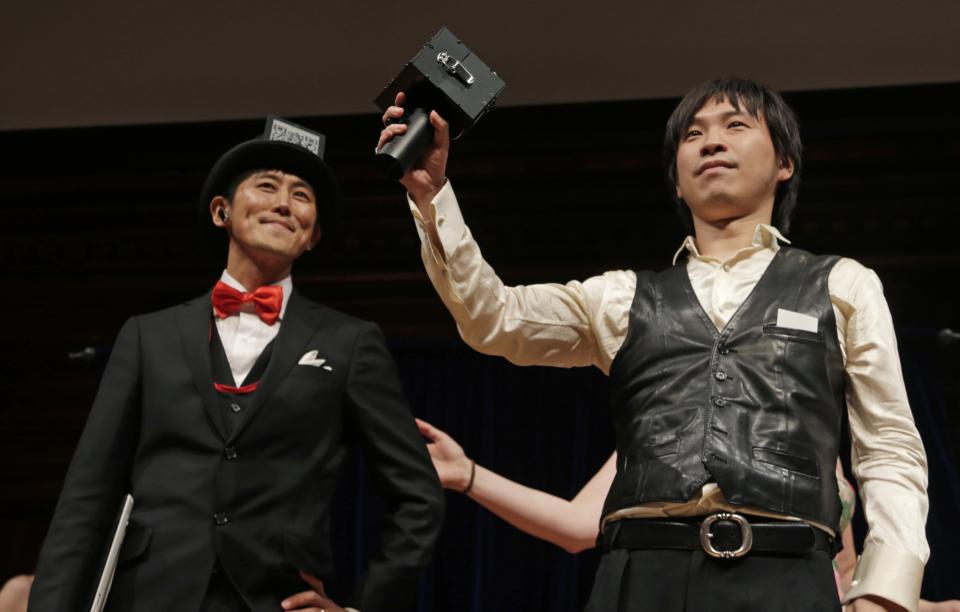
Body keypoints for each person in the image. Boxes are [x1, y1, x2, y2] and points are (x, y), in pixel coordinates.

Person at [377, 77, 929, 611]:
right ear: (677, 179)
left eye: (735, 125)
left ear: (785, 162)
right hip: (640, 572)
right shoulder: (621, 297)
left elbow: (889, 447)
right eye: (693, 134)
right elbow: (491, 318)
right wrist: (433, 199)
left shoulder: (842, 283)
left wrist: (884, 590)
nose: (711, 140)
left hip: (788, 574)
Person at [28, 118, 444, 612]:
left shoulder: (350, 343)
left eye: (302, 196)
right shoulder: (148, 336)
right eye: (266, 185)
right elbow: (85, 500)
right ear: (221, 211)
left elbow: (418, 498)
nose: (283, 203)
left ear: (313, 236)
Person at [417, 420, 959, 611]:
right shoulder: (664, 432)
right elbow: (577, 527)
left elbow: (843, 570)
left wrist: (916, 605)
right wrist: (468, 475)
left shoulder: (818, 441)